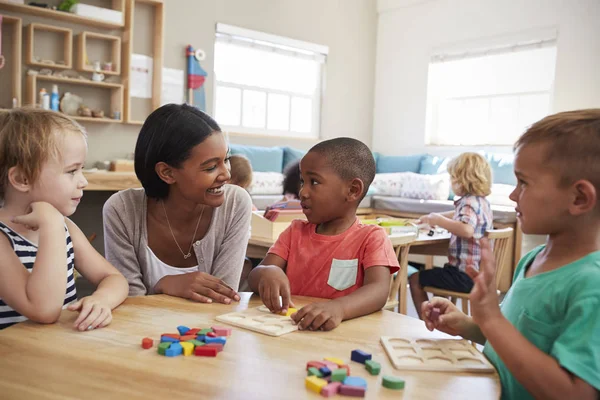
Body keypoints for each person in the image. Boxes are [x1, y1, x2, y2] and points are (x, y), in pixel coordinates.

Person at [422, 109, 600, 399]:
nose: (513, 195)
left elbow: (576, 394)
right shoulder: (533, 260)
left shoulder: (592, 285)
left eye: (524, 183)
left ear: (579, 198)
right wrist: (467, 325)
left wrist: (491, 318)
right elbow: (513, 339)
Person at [103, 104, 252, 304]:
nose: (226, 174)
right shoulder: (122, 210)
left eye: (226, 159)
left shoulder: (235, 203)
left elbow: (222, 299)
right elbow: (129, 304)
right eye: (210, 167)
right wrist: (163, 284)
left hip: (208, 334)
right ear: (167, 173)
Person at [248, 137, 400, 331]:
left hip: (343, 335)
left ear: (353, 190)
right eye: (303, 181)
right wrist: (266, 272)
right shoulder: (294, 232)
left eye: (314, 182)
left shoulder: (371, 238)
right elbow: (254, 278)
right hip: (290, 330)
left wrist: (339, 308)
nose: (303, 192)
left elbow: (378, 291)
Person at [0, 108, 128, 331]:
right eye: (72, 171)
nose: (83, 181)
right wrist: (51, 224)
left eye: (82, 169)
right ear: (22, 178)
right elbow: (43, 310)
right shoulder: (5, 238)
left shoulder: (66, 227)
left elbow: (113, 278)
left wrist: (102, 300)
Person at [409, 152, 493, 319]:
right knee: (440, 275)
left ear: (463, 180)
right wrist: (433, 217)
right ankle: (442, 318)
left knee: (415, 278)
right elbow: (458, 214)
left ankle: (426, 321)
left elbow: (467, 229)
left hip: (464, 277)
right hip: (479, 276)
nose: (451, 182)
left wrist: (438, 220)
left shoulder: (468, 202)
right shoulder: (482, 202)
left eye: (452, 178)